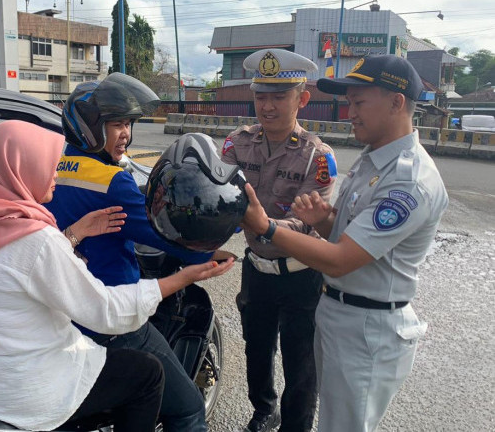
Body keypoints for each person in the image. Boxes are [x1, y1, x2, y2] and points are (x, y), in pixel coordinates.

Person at [0, 120, 235, 432]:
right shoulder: (37, 237)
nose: (55, 173)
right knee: (149, 375)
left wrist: (75, 234)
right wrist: (184, 277)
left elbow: (13, 271)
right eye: (47, 164)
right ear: (16, 169)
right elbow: (106, 311)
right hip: (27, 391)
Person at [241, 54, 449, 432]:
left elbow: (340, 259)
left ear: (396, 102)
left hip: (368, 328)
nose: (349, 113)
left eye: (358, 103)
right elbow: (351, 231)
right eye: (349, 103)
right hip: (339, 312)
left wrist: (266, 228)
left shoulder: (408, 180)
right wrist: (325, 220)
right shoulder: (373, 162)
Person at [46, 73, 232, 432]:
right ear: (88, 126)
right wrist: (216, 244)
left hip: (63, 313)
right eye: (116, 124)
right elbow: (164, 232)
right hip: (113, 317)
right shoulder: (110, 181)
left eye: (129, 123)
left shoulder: (53, 166)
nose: (126, 134)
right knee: (189, 408)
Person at [220, 49, 337, 432]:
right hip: (256, 268)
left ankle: (295, 426)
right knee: (257, 350)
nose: (267, 106)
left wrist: (262, 223)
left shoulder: (316, 157)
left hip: (302, 274)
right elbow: (219, 193)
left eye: (278, 96)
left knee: (301, 364)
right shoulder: (237, 143)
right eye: (260, 96)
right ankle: (264, 410)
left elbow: (309, 225)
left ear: (302, 99)